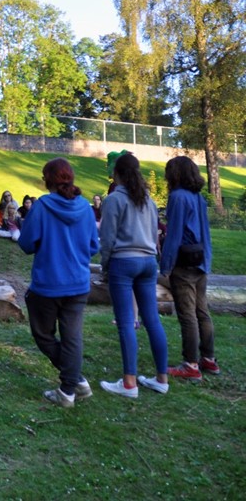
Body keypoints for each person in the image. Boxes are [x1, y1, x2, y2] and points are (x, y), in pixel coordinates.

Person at [17, 158, 99, 408]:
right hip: (78, 283)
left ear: (48, 180)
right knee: (72, 337)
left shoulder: (42, 207)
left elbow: (26, 244)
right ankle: (73, 385)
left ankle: (69, 389)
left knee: (43, 335)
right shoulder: (86, 208)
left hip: (49, 284)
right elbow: (94, 246)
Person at [99, 153, 169, 398]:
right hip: (149, 262)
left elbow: (107, 239)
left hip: (123, 262)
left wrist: (104, 266)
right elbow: (154, 234)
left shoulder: (113, 200)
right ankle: (162, 378)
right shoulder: (148, 200)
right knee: (152, 320)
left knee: (127, 322)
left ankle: (129, 383)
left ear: (116, 173)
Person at [160, 156, 218, 381]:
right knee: (202, 312)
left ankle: (190, 364)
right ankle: (208, 359)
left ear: (174, 174)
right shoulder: (199, 198)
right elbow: (205, 234)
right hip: (201, 261)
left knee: (187, 314)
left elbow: (173, 234)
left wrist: (166, 265)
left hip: (183, 264)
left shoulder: (177, 197)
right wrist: (207, 261)